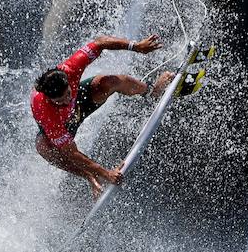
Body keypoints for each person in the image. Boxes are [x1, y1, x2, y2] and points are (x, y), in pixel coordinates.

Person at [31, 34, 174, 198]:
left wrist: (136, 46)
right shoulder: (47, 114)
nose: (67, 101)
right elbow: (71, 152)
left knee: (110, 81)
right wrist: (106, 173)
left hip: (81, 104)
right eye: (60, 101)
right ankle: (90, 176)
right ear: (49, 99)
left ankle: (153, 91)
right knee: (43, 148)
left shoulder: (70, 69)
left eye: (68, 94)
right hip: (63, 124)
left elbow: (99, 42)